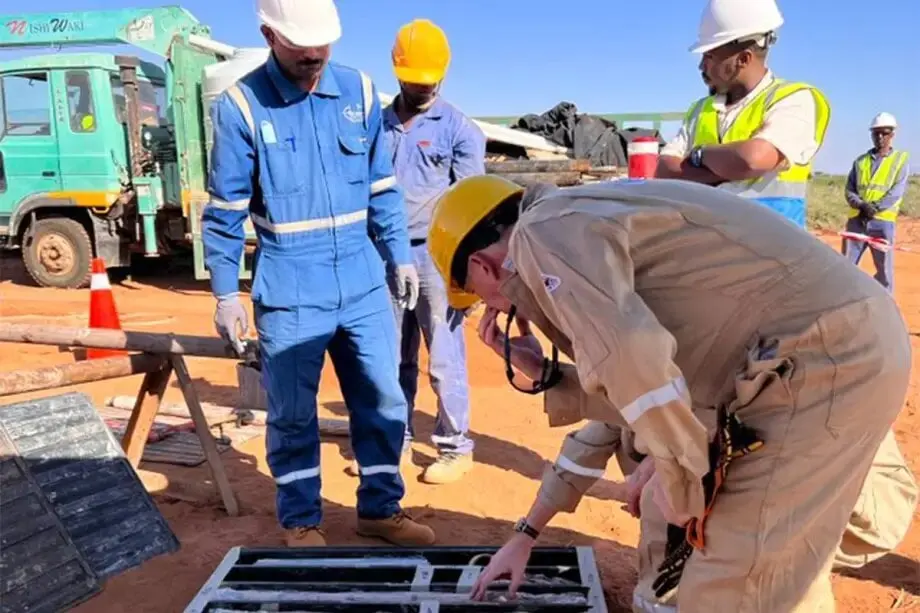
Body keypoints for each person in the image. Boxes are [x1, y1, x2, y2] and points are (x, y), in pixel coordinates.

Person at [424, 174, 913, 612]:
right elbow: (626, 399)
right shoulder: (588, 218)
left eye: (491, 301)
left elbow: (639, 371)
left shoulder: (543, 234)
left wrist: (680, 483)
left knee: (729, 585)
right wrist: (547, 375)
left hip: (815, 366)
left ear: (483, 267)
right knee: (773, 567)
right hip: (822, 360)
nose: (514, 312)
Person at [201, 0, 434, 548]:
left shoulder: (357, 92)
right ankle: (301, 520)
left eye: (323, 47)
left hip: (361, 279)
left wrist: (398, 253)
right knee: (292, 415)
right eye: (303, 50)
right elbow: (226, 210)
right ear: (268, 35)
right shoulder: (241, 107)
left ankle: (380, 509)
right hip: (290, 285)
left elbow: (382, 187)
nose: (315, 59)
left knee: (383, 400)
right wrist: (224, 292)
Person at [382, 18, 486, 483]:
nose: (420, 89)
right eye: (412, 81)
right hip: (385, 254)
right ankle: (396, 438)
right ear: (397, 72)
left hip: (434, 260)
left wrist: (465, 270)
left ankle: (454, 445)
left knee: (443, 358)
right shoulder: (376, 125)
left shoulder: (459, 129)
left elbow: (472, 202)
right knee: (390, 358)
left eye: (427, 83)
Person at [657, 0, 830, 229]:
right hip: (709, 250)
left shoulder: (793, 99)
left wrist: (698, 156)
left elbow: (753, 158)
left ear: (743, 59)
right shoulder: (700, 109)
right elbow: (663, 169)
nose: (701, 66)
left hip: (772, 253)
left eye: (710, 56)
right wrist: (727, 171)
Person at [842, 112, 911, 292]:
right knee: (845, 267)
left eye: (885, 133)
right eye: (876, 133)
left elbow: (896, 191)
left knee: (884, 272)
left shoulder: (900, 160)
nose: (880, 137)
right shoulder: (860, 162)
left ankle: (885, 308)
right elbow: (850, 189)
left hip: (882, 223)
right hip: (857, 221)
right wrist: (861, 205)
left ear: (892, 135)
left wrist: (875, 208)